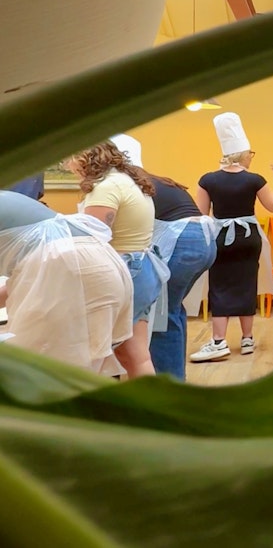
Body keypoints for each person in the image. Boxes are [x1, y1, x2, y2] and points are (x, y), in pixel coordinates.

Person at [110, 134, 218, 380]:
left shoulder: (125, 184)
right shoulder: (152, 180)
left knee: (160, 316)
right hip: (206, 242)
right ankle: (174, 378)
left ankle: (168, 384)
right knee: (171, 309)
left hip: (184, 242)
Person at [0, 191, 133, 372]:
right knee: (80, 369)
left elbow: (49, 274)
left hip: (67, 266)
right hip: (102, 261)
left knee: (38, 369)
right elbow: (30, 280)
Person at [68, 141, 168, 378]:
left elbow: (91, 238)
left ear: (85, 158)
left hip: (124, 269)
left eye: (69, 159)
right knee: (136, 355)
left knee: (102, 354)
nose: (67, 165)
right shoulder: (126, 181)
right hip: (141, 267)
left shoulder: (105, 187)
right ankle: (150, 411)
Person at [191, 112, 273, 362]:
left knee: (219, 286)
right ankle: (248, 339)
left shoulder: (207, 180)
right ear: (243, 154)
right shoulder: (255, 180)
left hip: (221, 239)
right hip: (249, 238)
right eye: (250, 154)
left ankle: (218, 341)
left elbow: (201, 215)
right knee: (246, 285)